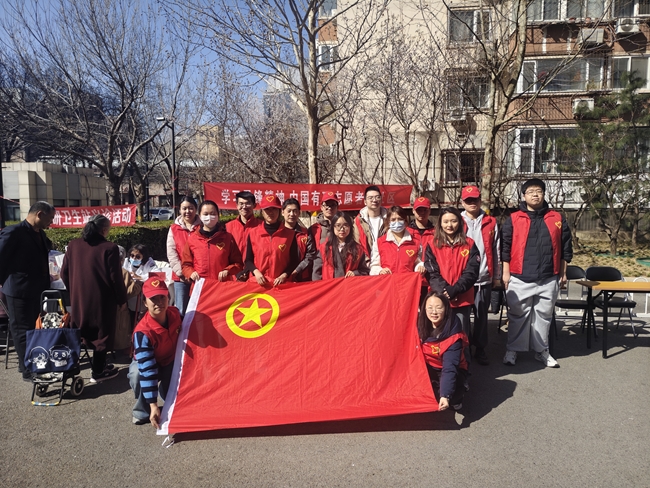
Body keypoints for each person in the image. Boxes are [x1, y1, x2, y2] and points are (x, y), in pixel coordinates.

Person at [501, 178, 572, 368]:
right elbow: (505, 247)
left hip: (548, 276)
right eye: (531, 191)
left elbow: (566, 248)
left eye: (539, 191)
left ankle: (542, 351)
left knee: (544, 316)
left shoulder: (556, 218)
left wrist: (563, 273)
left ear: (543, 194)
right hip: (519, 276)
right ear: (524, 196)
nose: (535, 194)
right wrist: (505, 273)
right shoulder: (514, 219)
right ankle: (513, 350)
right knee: (518, 316)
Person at [61, 215, 127, 383]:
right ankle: (98, 370)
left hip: (78, 297)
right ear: (104, 230)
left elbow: (64, 273)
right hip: (102, 298)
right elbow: (116, 278)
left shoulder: (73, 245)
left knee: (78, 330)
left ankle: (70, 367)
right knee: (101, 333)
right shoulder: (109, 248)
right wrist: (121, 300)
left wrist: (73, 289)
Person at [0, 201, 55, 381]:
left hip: (37, 289)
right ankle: (28, 370)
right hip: (18, 289)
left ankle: (28, 362)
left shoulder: (40, 233)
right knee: (22, 330)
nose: (51, 222)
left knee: (34, 328)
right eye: (50, 218)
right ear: (39, 214)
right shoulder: (14, 232)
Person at [128, 277, 182, 427]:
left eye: (162, 297)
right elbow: (148, 370)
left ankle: (169, 398)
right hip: (149, 364)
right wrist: (153, 405)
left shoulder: (176, 314)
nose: (159, 302)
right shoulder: (142, 332)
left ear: (168, 298)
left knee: (174, 401)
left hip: (171, 361)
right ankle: (142, 411)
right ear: (145, 303)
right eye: (153, 299)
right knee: (137, 374)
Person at [424, 207, 479, 341]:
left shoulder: (469, 244)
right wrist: (445, 292)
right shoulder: (432, 245)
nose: (449, 225)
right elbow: (432, 272)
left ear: (460, 222)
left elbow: (472, 272)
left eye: (453, 221)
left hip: (462, 299)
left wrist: (455, 289)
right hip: (439, 299)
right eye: (446, 221)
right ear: (440, 223)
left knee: (461, 335)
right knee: (438, 335)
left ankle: (463, 355)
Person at [460, 185, 500, 366]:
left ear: (480, 200)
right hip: (463, 280)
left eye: (474, 199)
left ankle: (480, 348)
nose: (472, 203)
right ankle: (464, 348)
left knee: (481, 316)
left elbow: (496, 249)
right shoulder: (456, 220)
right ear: (463, 202)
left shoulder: (490, 221)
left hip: (484, 277)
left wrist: (496, 275)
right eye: (468, 200)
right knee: (462, 317)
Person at [418, 291, 469, 411]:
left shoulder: (454, 336)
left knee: (450, 396)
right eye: (430, 307)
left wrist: (445, 395)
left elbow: (450, 367)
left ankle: (458, 393)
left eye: (438, 307)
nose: (434, 312)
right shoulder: (419, 326)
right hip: (428, 366)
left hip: (448, 368)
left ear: (446, 309)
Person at [243, 195, 299, 286]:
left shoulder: (290, 235)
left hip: (281, 284)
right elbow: (248, 260)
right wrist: (256, 272)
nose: (270, 212)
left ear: (279, 211)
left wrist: (284, 275)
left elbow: (294, 261)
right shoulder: (253, 233)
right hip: (258, 284)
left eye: (274, 209)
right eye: (267, 209)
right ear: (262, 212)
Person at [181, 200, 243, 282]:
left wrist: (228, 271)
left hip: (221, 285)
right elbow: (186, 265)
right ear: (200, 216)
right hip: (200, 284)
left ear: (218, 215)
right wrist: (191, 273)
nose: (209, 217)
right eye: (205, 214)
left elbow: (238, 263)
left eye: (213, 214)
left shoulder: (228, 238)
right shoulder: (192, 239)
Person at [166, 195, 201, 316]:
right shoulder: (174, 229)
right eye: (184, 208)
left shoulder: (203, 227)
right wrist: (183, 273)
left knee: (200, 309)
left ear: (196, 209)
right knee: (181, 311)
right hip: (181, 278)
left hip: (200, 276)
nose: (187, 211)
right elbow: (171, 253)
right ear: (179, 210)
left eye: (191, 208)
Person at [369, 205, 426, 277]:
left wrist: (420, 267)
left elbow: (418, 262)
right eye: (393, 219)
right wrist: (380, 271)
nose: (397, 222)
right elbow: (374, 266)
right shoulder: (380, 242)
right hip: (387, 282)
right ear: (388, 222)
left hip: (407, 282)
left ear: (405, 221)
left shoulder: (415, 242)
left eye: (400, 219)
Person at [312, 212, 370, 280]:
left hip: (349, 285)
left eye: (345, 225)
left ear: (350, 227)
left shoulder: (358, 249)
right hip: (330, 285)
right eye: (338, 225)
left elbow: (364, 271)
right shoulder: (324, 248)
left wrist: (355, 273)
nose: (342, 229)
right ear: (333, 227)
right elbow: (316, 274)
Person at [409, 196, 435, 304]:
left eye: (425, 210)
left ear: (429, 211)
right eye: (419, 210)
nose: (422, 213)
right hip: (411, 280)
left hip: (430, 281)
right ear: (413, 211)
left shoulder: (436, 233)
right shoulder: (406, 232)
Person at [282, 198, 315, 282]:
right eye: (289, 211)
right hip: (280, 276)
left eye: (295, 211)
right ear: (282, 212)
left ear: (299, 213)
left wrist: (296, 271)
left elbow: (310, 255)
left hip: (301, 276)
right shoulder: (277, 233)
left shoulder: (305, 233)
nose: (292, 214)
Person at [355, 185, 387, 263]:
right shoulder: (358, 221)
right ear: (365, 202)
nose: (374, 200)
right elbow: (356, 243)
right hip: (366, 263)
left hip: (386, 261)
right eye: (370, 198)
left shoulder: (389, 219)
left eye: (377, 197)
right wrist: (366, 261)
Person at [225, 190, 261, 256]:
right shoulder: (228, 227)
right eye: (241, 204)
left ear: (254, 205)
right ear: (237, 205)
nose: (244, 207)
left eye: (248, 203)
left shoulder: (261, 226)